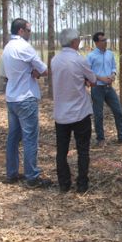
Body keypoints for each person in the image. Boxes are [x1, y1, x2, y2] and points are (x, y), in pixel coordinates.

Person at [1, 18, 50, 188]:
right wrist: (36, 72)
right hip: (26, 97)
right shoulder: (24, 47)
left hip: (12, 98)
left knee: (13, 138)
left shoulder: (7, 48)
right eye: (29, 30)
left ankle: (12, 173)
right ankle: (32, 177)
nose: (30, 33)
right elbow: (44, 70)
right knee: (30, 138)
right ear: (21, 31)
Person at [52, 29, 97, 193]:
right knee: (83, 150)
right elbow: (93, 80)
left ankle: (64, 184)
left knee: (61, 151)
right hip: (80, 113)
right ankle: (82, 184)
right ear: (74, 42)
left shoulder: (55, 60)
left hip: (61, 114)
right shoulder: (80, 60)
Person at [87, 31, 122, 146]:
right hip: (97, 88)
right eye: (103, 40)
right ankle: (100, 139)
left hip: (109, 88)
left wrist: (113, 75)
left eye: (106, 40)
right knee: (98, 114)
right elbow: (88, 72)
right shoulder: (91, 56)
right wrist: (101, 78)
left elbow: (114, 67)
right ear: (96, 42)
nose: (106, 42)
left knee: (118, 111)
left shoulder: (110, 54)